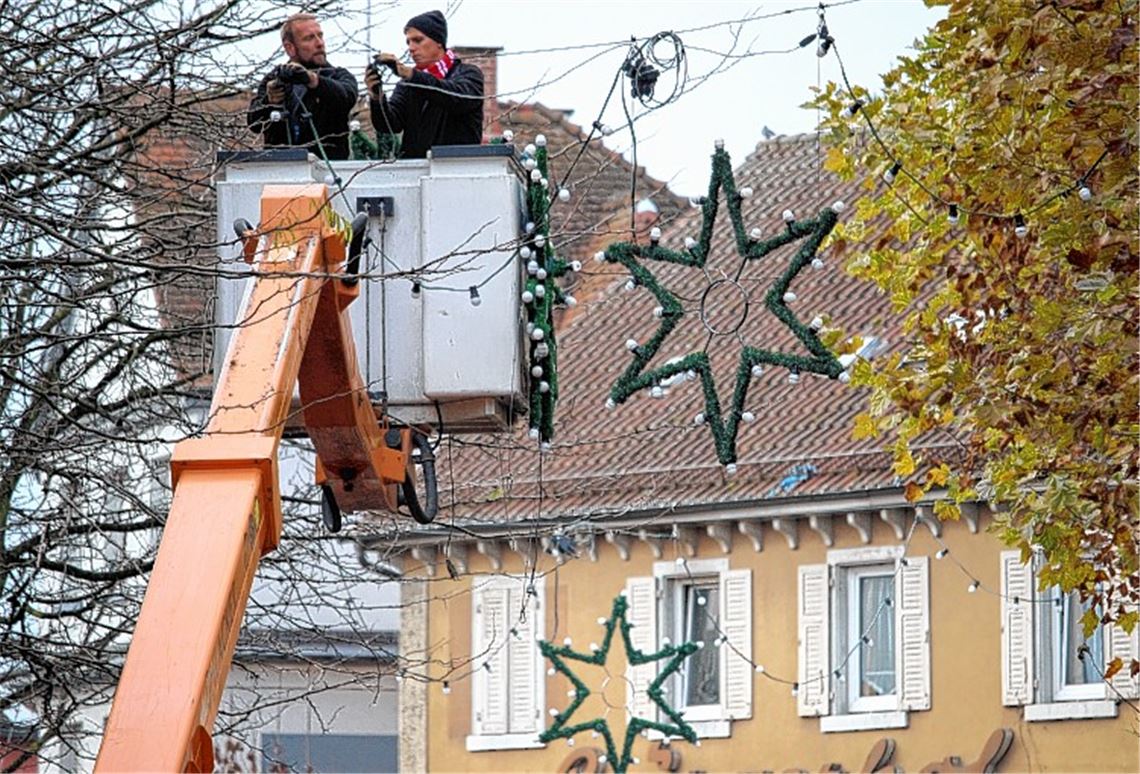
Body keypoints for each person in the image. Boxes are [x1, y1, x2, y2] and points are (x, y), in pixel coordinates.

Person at [366, 10, 484, 159]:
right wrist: (377, 97)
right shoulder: (408, 84)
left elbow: (455, 97)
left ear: (439, 42)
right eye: (408, 42)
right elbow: (390, 125)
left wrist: (411, 75)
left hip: (457, 170)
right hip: (415, 172)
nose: (411, 48)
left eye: (418, 40)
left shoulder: (468, 74)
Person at [248, 13, 359, 160]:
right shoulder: (273, 79)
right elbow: (254, 124)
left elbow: (346, 97)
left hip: (328, 170)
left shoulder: (338, 76)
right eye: (309, 38)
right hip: (281, 170)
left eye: (320, 36)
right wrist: (270, 101)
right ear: (290, 48)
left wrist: (313, 81)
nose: (319, 43)